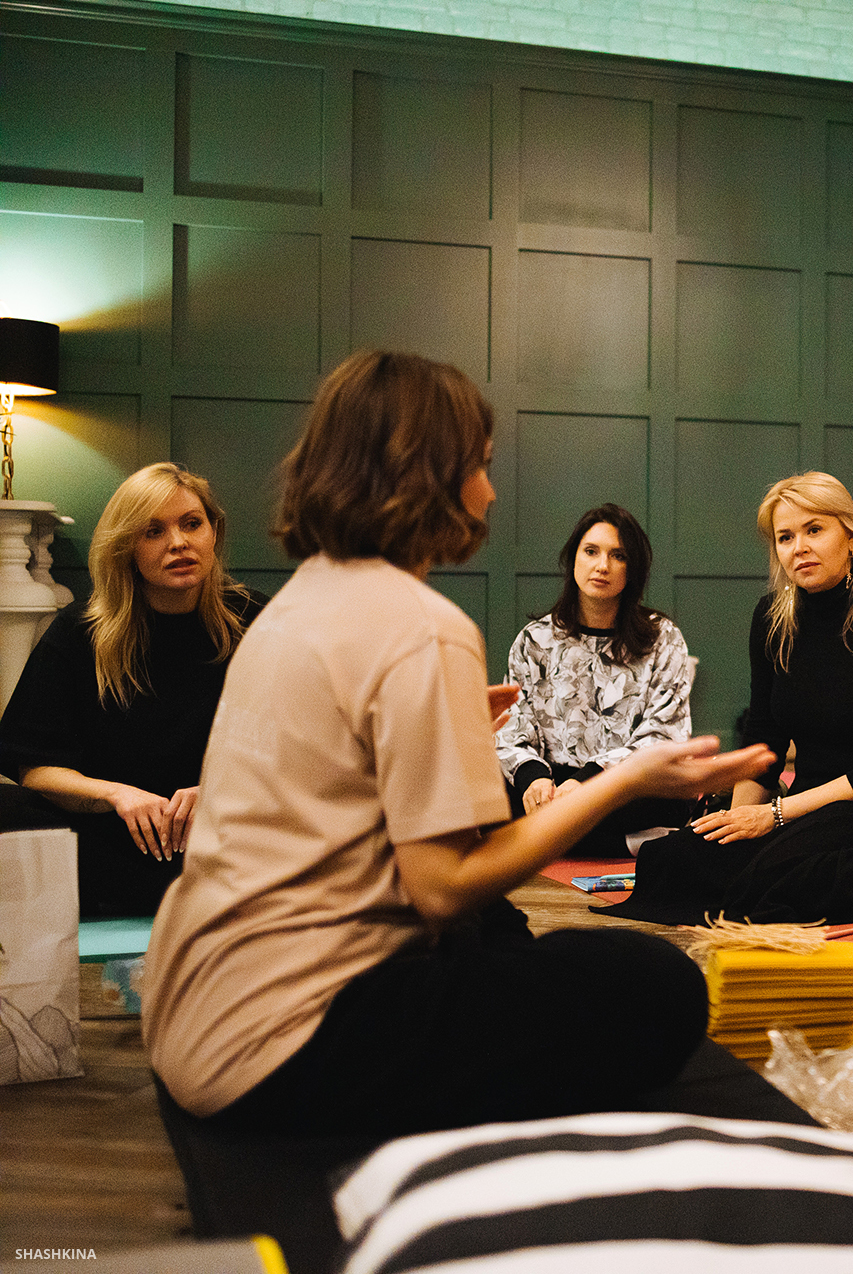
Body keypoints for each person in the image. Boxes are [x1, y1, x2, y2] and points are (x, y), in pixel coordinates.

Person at [140, 350, 773, 1134]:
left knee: (501, 929)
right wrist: (629, 779)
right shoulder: (421, 626)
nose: (490, 491)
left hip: (187, 1013)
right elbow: (442, 888)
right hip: (277, 1049)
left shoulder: (293, 605)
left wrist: (446, 723)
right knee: (657, 982)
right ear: (424, 473)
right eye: (479, 466)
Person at [605, 472, 853, 926]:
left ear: (851, 537)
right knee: (672, 860)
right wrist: (738, 824)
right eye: (785, 537)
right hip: (809, 804)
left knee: (777, 878)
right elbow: (765, 738)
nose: (799, 547)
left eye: (814, 530)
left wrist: (774, 815)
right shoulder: (772, 619)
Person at [0, 463, 265, 916]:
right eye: (153, 532)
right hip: (113, 837)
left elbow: (302, 751)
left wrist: (219, 791)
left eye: (192, 524)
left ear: (213, 532)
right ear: (126, 547)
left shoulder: (256, 621)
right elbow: (36, 769)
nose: (178, 542)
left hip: (225, 835)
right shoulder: (80, 632)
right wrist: (117, 795)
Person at [494, 503, 695, 857]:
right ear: (573, 558)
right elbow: (513, 725)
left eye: (618, 556)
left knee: (669, 795)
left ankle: (546, 838)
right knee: (487, 791)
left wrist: (587, 782)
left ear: (633, 569)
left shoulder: (663, 638)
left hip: (624, 788)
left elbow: (663, 733)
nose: (602, 566)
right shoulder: (534, 640)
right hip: (552, 786)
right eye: (591, 551)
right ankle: (634, 842)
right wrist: (532, 777)